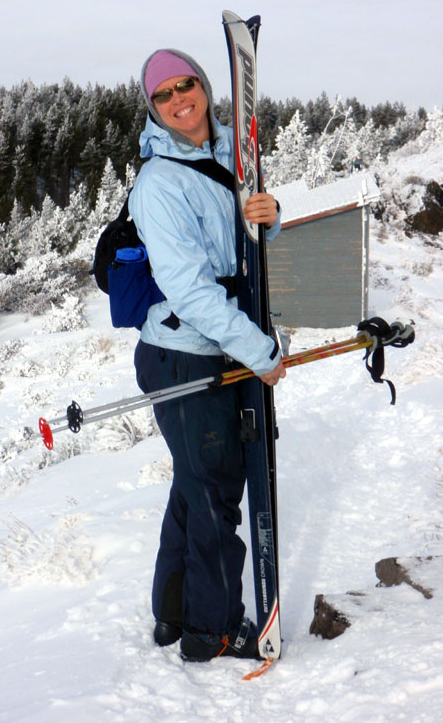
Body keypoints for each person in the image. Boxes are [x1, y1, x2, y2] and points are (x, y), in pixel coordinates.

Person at [129, 49, 286, 663]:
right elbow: (193, 291)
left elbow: (242, 238)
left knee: (194, 487)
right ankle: (213, 632)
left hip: (212, 346)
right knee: (216, 492)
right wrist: (260, 351)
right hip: (184, 355)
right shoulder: (159, 183)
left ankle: (173, 616)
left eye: (185, 84)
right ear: (154, 109)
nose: (178, 99)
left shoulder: (231, 154)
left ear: (203, 85)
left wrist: (270, 219)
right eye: (163, 95)